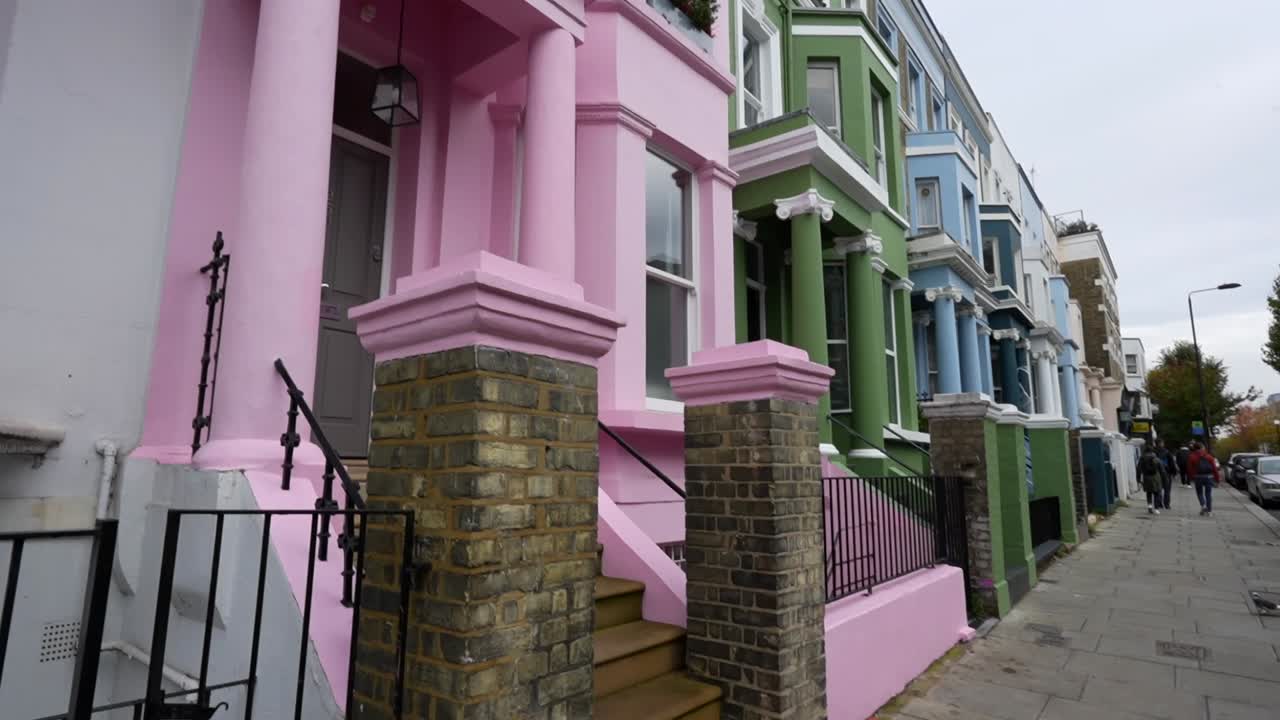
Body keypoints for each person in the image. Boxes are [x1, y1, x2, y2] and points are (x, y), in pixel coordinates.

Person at [1186, 442, 1221, 516]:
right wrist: (1217, 479)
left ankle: (1203, 505)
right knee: (1208, 494)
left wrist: (1191, 477)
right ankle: (1209, 511)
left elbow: (1189, 469)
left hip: (1198, 477)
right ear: (1202, 447)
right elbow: (1214, 469)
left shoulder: (1191, 456)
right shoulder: (1209, 456)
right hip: (1208, 477)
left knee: (1199, 493)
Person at [1139, 446, 1168, 514]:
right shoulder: (1156, 459)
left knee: (1149, 492)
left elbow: (1138, 469)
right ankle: (1156, 508)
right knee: (1156, 493)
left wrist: (1138, 478)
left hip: (1146, 477)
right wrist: (1165, 478)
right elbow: (1162, 470)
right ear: (1152, 451)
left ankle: (1149, 506)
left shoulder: (1142, 458)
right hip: (1156, 478)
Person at [1156, 440, 1177, 509]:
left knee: (1158, 489)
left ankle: (1159, 503)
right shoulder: (1167, 452)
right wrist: (1174, 473)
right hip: (1167, 473)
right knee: (1167, 490)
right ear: (1162, 444)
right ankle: (1167, 504)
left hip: (1157, 473)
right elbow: (1172, 464)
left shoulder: (1155, 452)